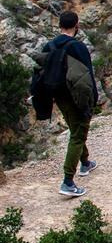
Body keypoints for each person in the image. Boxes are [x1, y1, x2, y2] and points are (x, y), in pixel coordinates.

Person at [32, 11, 98, 197]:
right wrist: (93, 98)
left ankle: (86, 163)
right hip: (77, 96)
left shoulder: (49, 46)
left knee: (75, 128)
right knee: (78, 134)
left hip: (59, 97)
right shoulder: (78, 47)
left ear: (60, 25)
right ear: (76, 25)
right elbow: (88, 76)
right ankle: (68, 181)